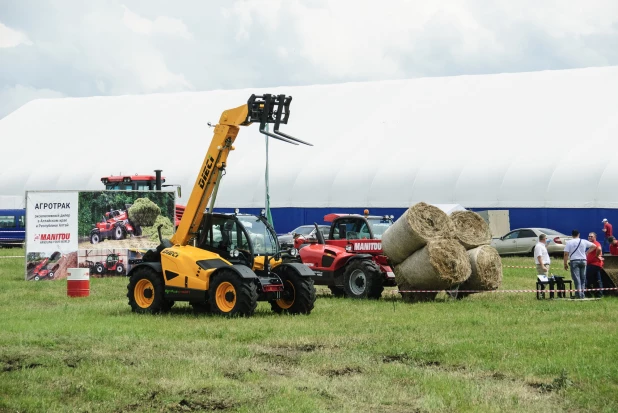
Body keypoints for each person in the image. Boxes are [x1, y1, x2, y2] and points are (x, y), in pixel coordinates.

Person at [563, 230, 596, 299]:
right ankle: (582, 294)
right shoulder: (583, 241)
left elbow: (566, 253)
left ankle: (579, 295)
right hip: (583, 260)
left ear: (572, 235)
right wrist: (587, 252)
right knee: (583, 278)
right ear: (579, 234)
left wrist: (565, 263)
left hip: (574, 261)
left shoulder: (569, 242)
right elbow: (594, 246)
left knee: (577, 278)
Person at [585, 232, 604, 298]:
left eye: (591, 236)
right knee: (598, 279)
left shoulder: (596, 243)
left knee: (586, 277)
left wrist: (596, 255)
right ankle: (598, 294)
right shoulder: (591, 245)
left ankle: (588, 294)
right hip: (595, 265)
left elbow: (599, 249)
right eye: (589, 236)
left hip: (594, 264)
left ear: (595, 237)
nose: (589, 237)